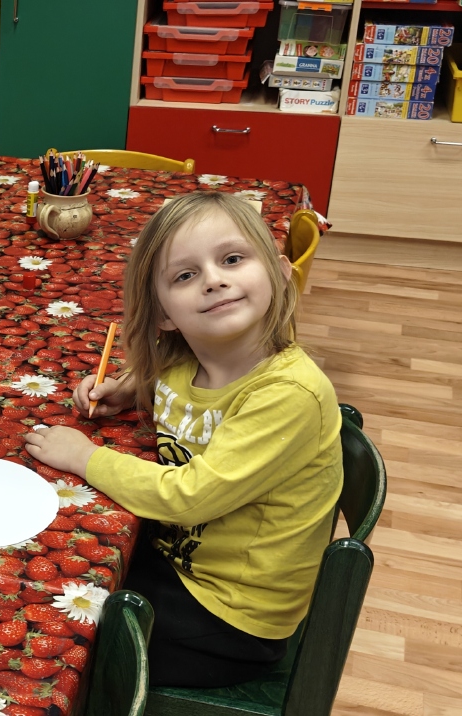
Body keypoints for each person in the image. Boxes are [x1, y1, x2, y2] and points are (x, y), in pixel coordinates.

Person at [24, 191, 343, 688]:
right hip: (178, 561)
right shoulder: (192, 356)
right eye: (185, 275)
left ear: (281, 272)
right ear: (164, 316)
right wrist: (128, 389)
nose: (214, 280)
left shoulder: (290, 395)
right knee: (48, 571)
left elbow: (188, 497)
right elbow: (174, 382)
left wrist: (85, 457)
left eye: (232, 259)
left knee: (60, 635)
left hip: (232, 618)